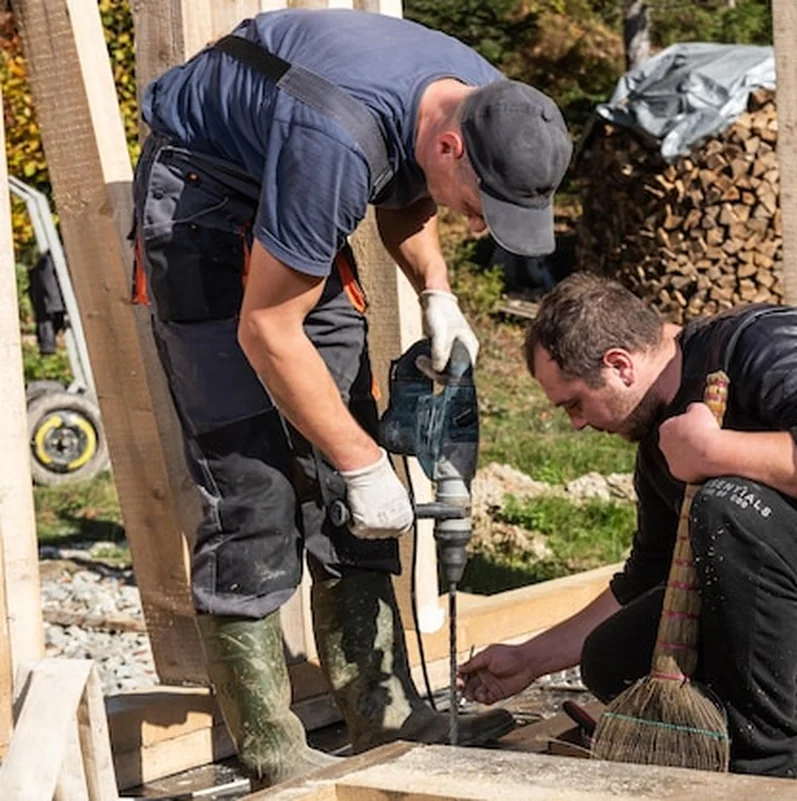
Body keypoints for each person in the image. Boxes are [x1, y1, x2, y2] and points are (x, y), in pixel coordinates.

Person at [130, 7, 572, 789]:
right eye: (482, 204)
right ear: (453, 143)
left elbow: (404, 183)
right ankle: (270, 740)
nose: (477, 225)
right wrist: (364, 464)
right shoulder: (335, 138)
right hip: (202, 194)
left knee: (348, 440)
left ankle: (383, 707)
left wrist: (436, 289)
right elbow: (268, 329)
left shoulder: (473, 94)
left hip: (295, 172)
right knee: (251, 475)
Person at [458, 273, 797, 784]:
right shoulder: (657, 448)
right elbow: (648, 581)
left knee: (726, 508)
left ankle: (764, 773)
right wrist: (528, 659)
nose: (576, 423)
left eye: (574, 402)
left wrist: (717, 452)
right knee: (614, 659)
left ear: (620, 365)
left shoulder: (760, 343)